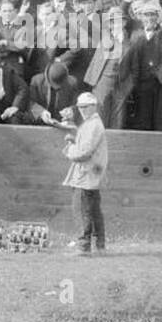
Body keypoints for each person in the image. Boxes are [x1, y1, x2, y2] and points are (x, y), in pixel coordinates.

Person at [63, 91, 108, 256]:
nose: (82, 110)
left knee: (81, 209)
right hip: (92, 174)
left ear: (93, 106)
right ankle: (99, 245)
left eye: (85, 107)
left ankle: (83, 246)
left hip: (85, 174)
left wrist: (70, 148)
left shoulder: (92, 125)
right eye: (80, 107)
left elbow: (84, 152)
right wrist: (75, 141)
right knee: (94, 210)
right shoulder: (93, 123)